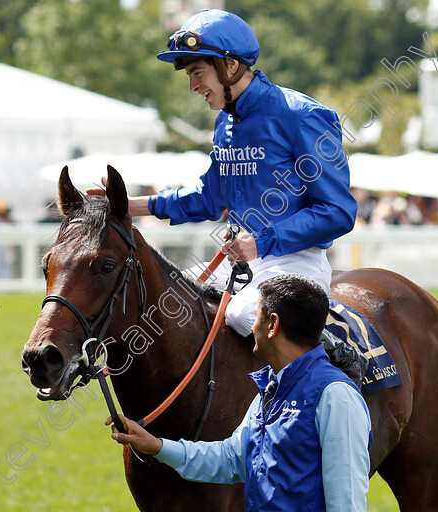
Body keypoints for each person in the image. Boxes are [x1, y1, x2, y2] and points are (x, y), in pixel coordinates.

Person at [93, 9, 366, 384]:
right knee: (160, 309)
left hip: (295, 261)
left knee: (242, 314)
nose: (193, 87)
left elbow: (338, 211)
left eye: (197, 73)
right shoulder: (226, 122)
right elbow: (209, 198)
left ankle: (332, 352)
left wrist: (261, 241)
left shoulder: (302, 116)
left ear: (231, 67)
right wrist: (130, 206)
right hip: (239, 260)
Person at [108, 274, 371, 512]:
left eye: (256, 316)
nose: (252, 326)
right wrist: (156, 446)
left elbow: (347, 502)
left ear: (272, 324)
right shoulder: (268, 390)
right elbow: (231, 459)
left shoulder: (336, 396)